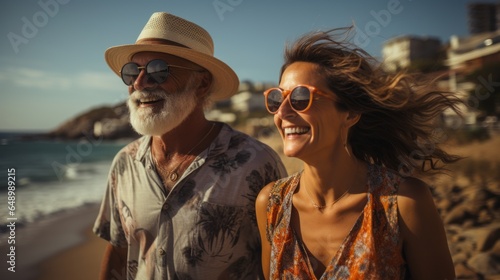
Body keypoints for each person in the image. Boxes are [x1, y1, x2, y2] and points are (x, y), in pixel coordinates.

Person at [256, 27, 462, 280]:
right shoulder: (271, 204)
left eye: (301, 97)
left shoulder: (402, 202)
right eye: (277, 99)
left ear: (350, 114)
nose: (282, 112)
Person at [93, 12, 287, 280]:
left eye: (158, 71)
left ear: (202, 82)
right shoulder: (124, 163)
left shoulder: (256, 164)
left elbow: (279, 263)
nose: (139, 83)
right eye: (131, 72)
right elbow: (118, 251)